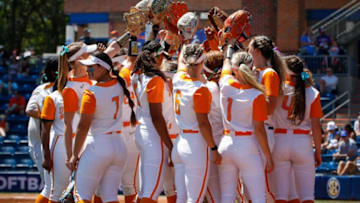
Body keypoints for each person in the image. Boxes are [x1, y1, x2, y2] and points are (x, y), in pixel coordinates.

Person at [68, 51, 136, 202]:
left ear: (102, 68)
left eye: (91, 67)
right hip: (119, 146)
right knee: (109, 196)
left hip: (98, 145)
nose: (88, 70)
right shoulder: (120, 84)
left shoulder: (91, 93)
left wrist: (74, 154)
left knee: (81, 195)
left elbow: (83, 127)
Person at [217, 50, 273, 203]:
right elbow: (259, 130)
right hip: (247, 145)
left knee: (227, 197)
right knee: (258, 197)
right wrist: (268, 155)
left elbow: (226, 66)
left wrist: (228, 48)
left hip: (226, 142)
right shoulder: (256, 94)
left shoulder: (225, 84)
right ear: (251, 67)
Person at [172, 43, 221, 203]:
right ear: (202, 62)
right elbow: (203, 123)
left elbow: (181, 64)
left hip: (180, 142)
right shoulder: (200, 89)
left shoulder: (177, 79)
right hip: (196, 146)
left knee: (182, 198)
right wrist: (213, 147)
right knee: (195, 199)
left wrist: (184, 40)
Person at [272, 55, 322, 203]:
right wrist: (318, 152)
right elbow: (316, 127)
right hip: (302, 141)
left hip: (279, 140)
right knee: (307, 196)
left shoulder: (278, 87)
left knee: (280, 195)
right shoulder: (312, 92)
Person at [131, 40, 174, 203]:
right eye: (162, 55)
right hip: (153, 135)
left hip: (143, 131)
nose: (164, 58)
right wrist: (170, 146)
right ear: (155, 56)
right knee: (152, 191)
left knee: (145, 190)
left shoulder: (137, 74)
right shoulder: (154, 79)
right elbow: (157, 117)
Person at [247, 35, 287, 202]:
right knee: (249, 186)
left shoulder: (269, 73)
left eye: (249, 50)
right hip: (253, 131)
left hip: (264, 129)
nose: (247, 53)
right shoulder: (253, 72)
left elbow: (269, 108)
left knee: (262, 186)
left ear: (256, 52)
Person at [56, 42, 97, 172]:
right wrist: (71, 156)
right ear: (79, 60)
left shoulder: (91, 79)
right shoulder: (70, 89)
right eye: (87, 53)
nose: (90, 55)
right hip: (82, 141)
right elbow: (68, 125)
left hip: (96, 137)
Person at [26, 58, 57, 203]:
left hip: (53, 142)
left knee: (54, 186)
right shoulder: (42, 89)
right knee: (49, 186)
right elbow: (30, 109)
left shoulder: (62, 88)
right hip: (39, 143)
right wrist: (48, 115)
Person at [40, 84, 72, 203]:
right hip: (60, 143)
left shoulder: (85, 91)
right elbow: (45, 130)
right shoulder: (53, 97)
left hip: (81, 142)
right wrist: (46, 156)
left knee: (82, 190)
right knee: (57, 190)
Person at [202, 50, 224, 203]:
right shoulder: (229, 84)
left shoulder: (209, 87)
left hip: (212, 144)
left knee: (214, 195)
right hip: (229, 141)